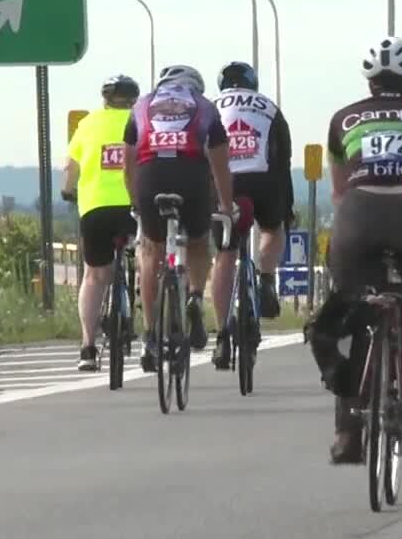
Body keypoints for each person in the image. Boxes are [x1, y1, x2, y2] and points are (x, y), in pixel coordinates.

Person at [305, 36, 402, 464]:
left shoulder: (344, 119)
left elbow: (339, 193)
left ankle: (346, 434)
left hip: (360, 217)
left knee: (357, 309)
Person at [123, 65, 236, 373]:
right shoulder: (205, 106)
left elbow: (128, 162)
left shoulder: (141, 105)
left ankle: (149, 335)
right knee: (199, 243)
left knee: (150, 251)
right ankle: (196, 297)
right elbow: (220, 165)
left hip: (150, 175)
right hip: (191, 175)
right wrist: (226, 205)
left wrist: (135, 200)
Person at [210, 60, 294, 370]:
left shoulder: (210, 106)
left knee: (225, 253)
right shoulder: (269, 107)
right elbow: (283, 157)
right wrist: (287, 206)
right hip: (264, 181)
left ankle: (221, 335)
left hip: (225, 184)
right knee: (272, 228)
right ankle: (267, 278)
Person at [62, 75, 140, 371]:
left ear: (104, 99)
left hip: (95, 209)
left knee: (94, 276)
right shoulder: (141, 121)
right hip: (134, 209)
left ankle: (87, 347)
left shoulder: (88, 124)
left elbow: (71, 167)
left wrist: (68, 191)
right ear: (134, 99)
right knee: (149, 261)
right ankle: (153, 328)